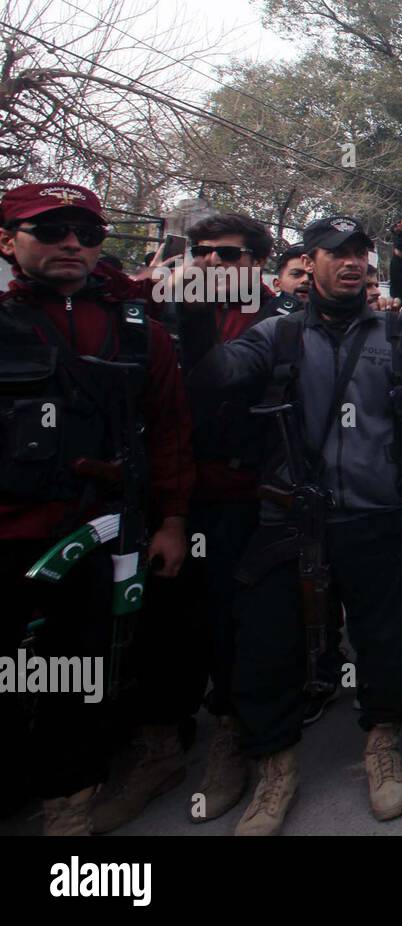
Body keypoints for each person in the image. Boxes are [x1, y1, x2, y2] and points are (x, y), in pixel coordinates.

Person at [188, 215, 402, 836]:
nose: (351, 261)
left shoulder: (394, 332)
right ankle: (276, 769)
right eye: (337, 253)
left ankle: (382, 743)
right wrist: (194, 305)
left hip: (377, 517)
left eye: (360, 251)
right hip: (288, 520)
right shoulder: (276, 336)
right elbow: (212, 378)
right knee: (268, 645)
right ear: (310, 262)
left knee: (383, 642)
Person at [0, 181, 194, 835]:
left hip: (97, 539)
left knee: (75, 680)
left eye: (86, 234)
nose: (72, 245)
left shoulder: (138, 331)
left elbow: (169, 433)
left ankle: (69, 808)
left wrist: (171, 523)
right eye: (51, 231)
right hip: (10, 536)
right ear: (8, 241)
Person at [91, 213, 285, 833]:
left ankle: (234, 741)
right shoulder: (157, 310)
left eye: (228, 255)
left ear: (257, 261)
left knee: (233, 626)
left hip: (241, 497)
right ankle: (160, 750)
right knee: (163, 627)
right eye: (202, 253)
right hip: (159, 496)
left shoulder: (282, 324)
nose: (213, 265)